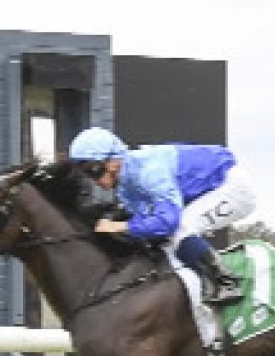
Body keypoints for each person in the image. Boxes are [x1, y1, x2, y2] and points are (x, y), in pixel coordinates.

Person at [67, 126, 255, 306]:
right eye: (87, 173)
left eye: (94, 170)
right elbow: (145, 221)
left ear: (114, 161)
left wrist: (120, 226)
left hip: (232, 188)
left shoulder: (150, 172)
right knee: (164, 241)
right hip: (207, 189)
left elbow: (167, 222)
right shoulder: (125, 184)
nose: (95, 180)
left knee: (181, 227)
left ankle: (226, 282)